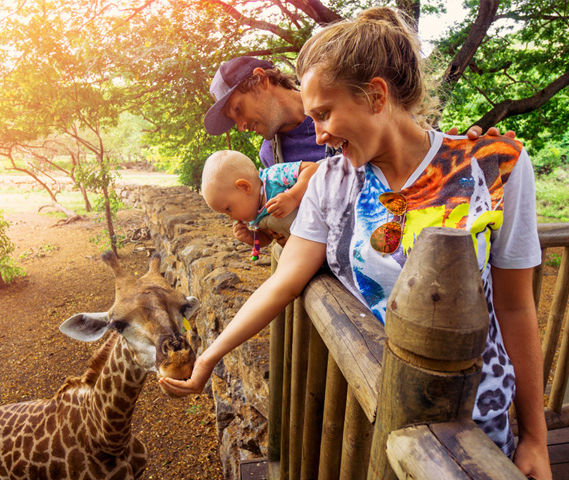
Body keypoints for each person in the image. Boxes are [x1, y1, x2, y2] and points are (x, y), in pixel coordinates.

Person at [167, 8, 551, 479]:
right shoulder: (331, 180)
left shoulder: (495, 166)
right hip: (373, 406)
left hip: (474, 424)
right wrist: (209, 356)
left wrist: (536, 437)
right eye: (312, 117)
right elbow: (284, 283)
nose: (320, 133)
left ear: (375, 95)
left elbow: (515, 308)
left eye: (325, 114)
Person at [203, 56, 513, 167]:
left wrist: (455, 154)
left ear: (261, 80)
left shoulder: (354, 107)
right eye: (234, 121)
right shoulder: (271, 157)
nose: (241, 125)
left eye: (238, 109)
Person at [201, 150, 319, 255]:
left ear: (244, 187)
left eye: (228, 209)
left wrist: (293, 197)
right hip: (309, 248)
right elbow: (267, 238)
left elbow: (313, 169)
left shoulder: (274, 176)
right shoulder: (255, 216)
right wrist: (251, 237)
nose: (231, 218)